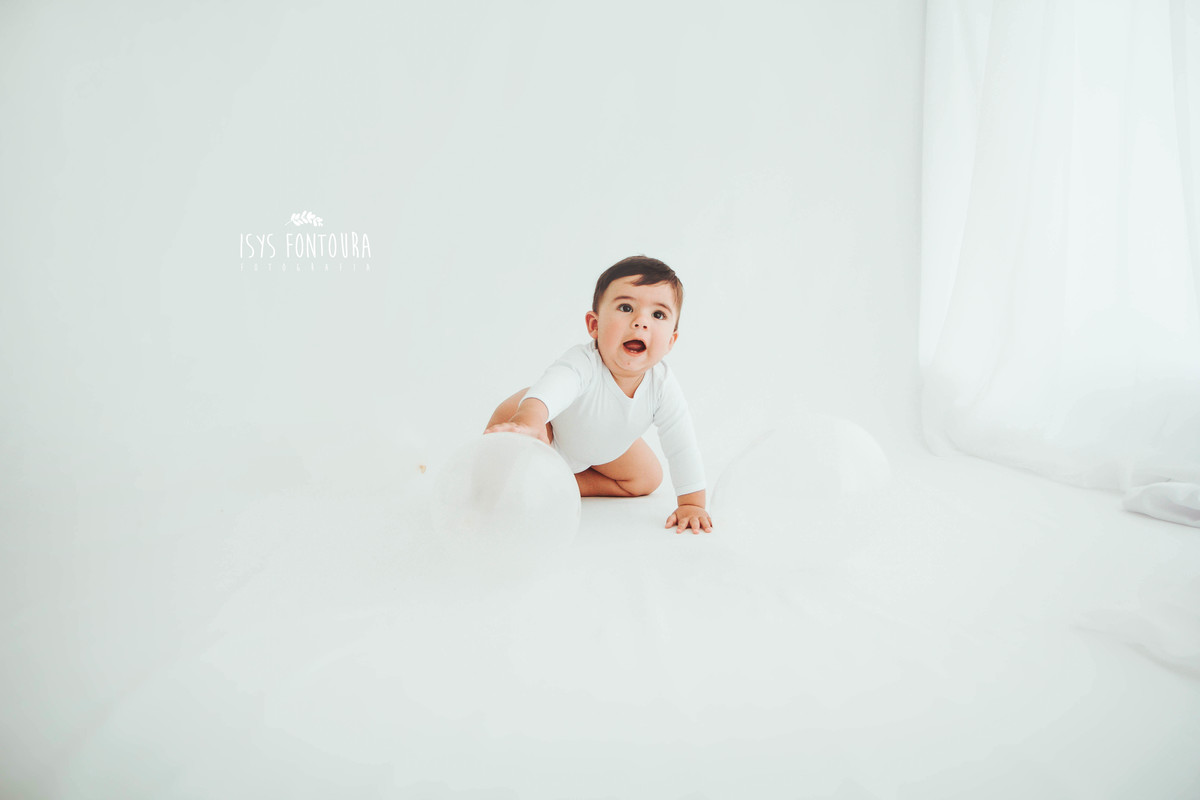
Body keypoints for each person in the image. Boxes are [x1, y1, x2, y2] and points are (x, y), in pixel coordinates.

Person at [485, 255, 714, 534]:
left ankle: (564, 482)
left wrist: (692, 504)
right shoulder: (584, 363)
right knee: (515, 441)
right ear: (594, 325)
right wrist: (528, 420)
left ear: (670, 341)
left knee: (649, 478)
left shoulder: (663, 385)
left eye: (658, 315)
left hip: (598, 450)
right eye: (626, 308)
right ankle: (501, 479)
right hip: (548, 430)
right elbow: (555, 387)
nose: (641, 321)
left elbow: (682, 444)